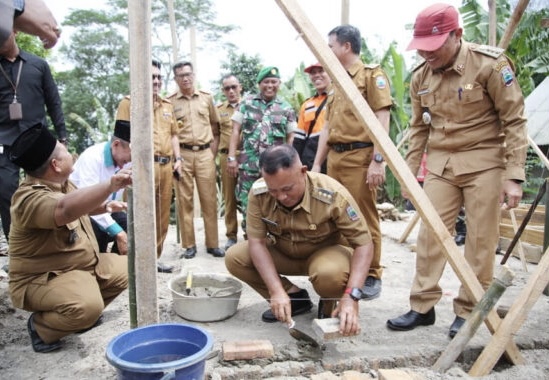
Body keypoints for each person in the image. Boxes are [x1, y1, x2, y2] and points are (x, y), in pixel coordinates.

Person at [386, 3, 527, 338]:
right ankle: (422, 306)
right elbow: (420, 130)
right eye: (421, 46)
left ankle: (469, 309)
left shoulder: (490, 65)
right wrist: (409, 177)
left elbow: (514, 120)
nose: (426, 53)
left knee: (480, 240)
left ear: (457, 35)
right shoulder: (421, 76)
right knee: (430, 236)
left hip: (485, 164)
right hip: (441, 166)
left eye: (433, 46)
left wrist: (514, 175)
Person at [8, 124, 131, 353]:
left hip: (80, 268)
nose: (68, 150)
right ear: (55, 164)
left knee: (130, 270)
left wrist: (104, 206)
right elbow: (64, 209)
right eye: (62, 149)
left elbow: (77, 205)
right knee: (87, 306)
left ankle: (79, 316)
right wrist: (110, 185)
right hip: (44, 278)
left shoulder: (62, 183)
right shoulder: (28, 198)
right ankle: (42, 328)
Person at [225, 144, 373, 334]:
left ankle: (330, 305)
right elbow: (257, 243)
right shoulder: (259, 192)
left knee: (329, 275)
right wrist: (276, 290)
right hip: (285, 253)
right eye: (274, 191)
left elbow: (364, 244)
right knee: (235, 257)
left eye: (287, 188)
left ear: (303, 172)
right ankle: (293, 299)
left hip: (325, 256)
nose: (281, 197)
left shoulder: (332, 194)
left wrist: (352, 297)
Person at [312, 25, 393, 300]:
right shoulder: (337, 82)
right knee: (338, 217)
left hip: (361, 157)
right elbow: (327, 128)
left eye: (331, 45)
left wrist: (378, 160)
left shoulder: (371, 75)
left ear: (346, 46)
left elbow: (383, 118)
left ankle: (372, 274)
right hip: (335, 158)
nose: (329, 51)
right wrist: (316, 165)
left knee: (364, 217)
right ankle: (349, 269)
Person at [0, 30, 67, 243]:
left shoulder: (38, 64)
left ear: (15, 32)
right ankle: (18, 245)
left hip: (37, 139)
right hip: (4, 140)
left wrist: (62, 135)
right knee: (6, 191)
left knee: (46, 189)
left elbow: (53, 101)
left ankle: (51, 240)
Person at [115, 59, 181, 273]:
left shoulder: (167, 105)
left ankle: (154, 259)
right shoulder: (129, 102)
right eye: (151, 77)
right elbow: (123, 135)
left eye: (159, 77)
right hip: (142, 167)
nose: (156, 81)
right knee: (138, 214)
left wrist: (178, 159)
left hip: (166, 167)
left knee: (161, 216)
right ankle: (133, 260)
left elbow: (173, 135)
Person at [227, 66, 297, 235]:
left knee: (276, 202)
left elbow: (291, 138)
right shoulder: (246, 104)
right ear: (259, 84)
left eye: (274, 82)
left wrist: (291, 165)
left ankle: (273, 239)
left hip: (276, 168)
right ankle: (250, 237)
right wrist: (231, 158)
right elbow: (236, 130)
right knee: (247, 202)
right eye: (266, 82)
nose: (270, 85)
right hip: (249, 165)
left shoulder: (286, 108)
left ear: (279, 83)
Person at [168, 61, 224, 260]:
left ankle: (213, 244)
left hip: (204, 154)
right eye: (181, 75)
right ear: (175, 79)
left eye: (188, 74)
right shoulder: (171, 101)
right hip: (182, 155)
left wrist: (212, 153)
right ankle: (189, 245)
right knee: (185, 201)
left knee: (209, 200)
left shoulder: (207, 98)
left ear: (194, 75)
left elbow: (216, 129)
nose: (185, 78)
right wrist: (176, 158)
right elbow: (169, 132)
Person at [70, 123, 131, 255]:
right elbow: (88, 204)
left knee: (132, 227)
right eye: (128, 158)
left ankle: (119, 265)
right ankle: (97, 267)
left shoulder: (127, 159)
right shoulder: (92, 158)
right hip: (84, 213)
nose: (130, 161)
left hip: (109, 209)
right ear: (116, 145)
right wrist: (118, 232)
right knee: (97, 233)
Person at [217, 74, 242, 250]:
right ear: (223, 91)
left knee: (252, 196)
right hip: (227, 157)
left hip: (248, 157)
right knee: (229, 198)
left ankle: (251, 233)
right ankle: (231, 235)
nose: (231, 91)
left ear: (240, 87)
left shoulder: (250, 106)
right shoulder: (219, 110)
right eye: (227, 88)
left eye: (234, 87)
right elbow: (214, 135)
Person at [293, 62, 330, 173]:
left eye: (321, 71)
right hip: (310, 160)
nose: (317, 75)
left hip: (332, 157)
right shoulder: (307, 104)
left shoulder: (339, 98)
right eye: (313, 73)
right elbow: (299, 140)